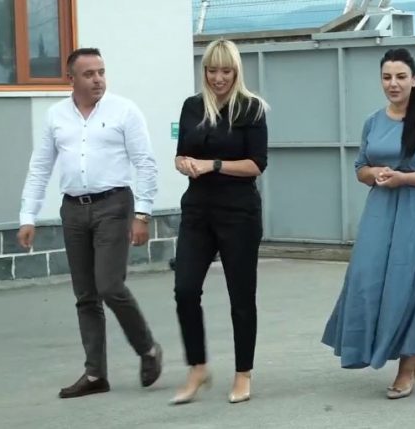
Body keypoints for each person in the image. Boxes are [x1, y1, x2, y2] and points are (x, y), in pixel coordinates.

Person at [17, 48, 162, 399]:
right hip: (73, 210)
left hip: (114, 205)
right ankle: (95, 374)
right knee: (85, 295)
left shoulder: (124, 110)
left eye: (101, 72)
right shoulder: (56, 116)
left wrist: (142, 214)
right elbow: (40, 167)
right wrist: (28, 216)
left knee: (109, 285)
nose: (98, 79)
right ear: (71, 79)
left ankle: (147, 348)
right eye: (89, 74)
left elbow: (145, 163)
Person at [322, 48, 415, 400]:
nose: (393, 83)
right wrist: (375, 173)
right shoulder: (373, 121)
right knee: (366, 282)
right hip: (380, 212)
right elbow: (360, 168)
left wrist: (404, 178)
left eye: (400, 76)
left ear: (414, 80)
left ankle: (407, 367)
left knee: (409, 288)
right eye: (386, 77)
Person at [170, 39, 268, 405]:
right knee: (184, 290)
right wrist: (184, 164)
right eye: (212, 71)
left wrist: (213, 165)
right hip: (197, 210)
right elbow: (181, 155)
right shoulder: (192, 106)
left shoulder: (251, 109)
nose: (218, 78)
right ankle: (198, 367)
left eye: (226, 71)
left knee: (241, 296)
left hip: (238, 213)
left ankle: (243, 373)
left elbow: (256, 164)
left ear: (236, 71)